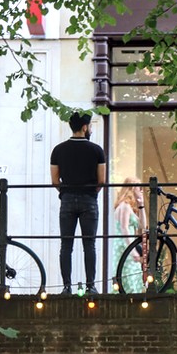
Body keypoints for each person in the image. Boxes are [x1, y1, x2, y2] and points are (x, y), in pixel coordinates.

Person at [51, 111, 107, 295]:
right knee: (89, 244)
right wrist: (90, 192)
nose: (90, 129)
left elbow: (54, 180)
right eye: (90, 126)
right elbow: (101, 181)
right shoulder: (97, 150)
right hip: (89, 199)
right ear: (84, 127)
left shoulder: (58, 150)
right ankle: (91, 286)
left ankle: (66, 286)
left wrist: (66, 191)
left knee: (66, 245)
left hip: (67, 199)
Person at [112, 178, 146, 293]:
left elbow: (142, 225)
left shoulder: (128, 207)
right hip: (125, 247)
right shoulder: (124, 206)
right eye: (139, 188)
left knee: (132, 278)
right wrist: (133, 251)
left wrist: (141, 205)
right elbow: (124, 228)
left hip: (127, 246)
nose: (141, 190)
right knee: (129, 279)